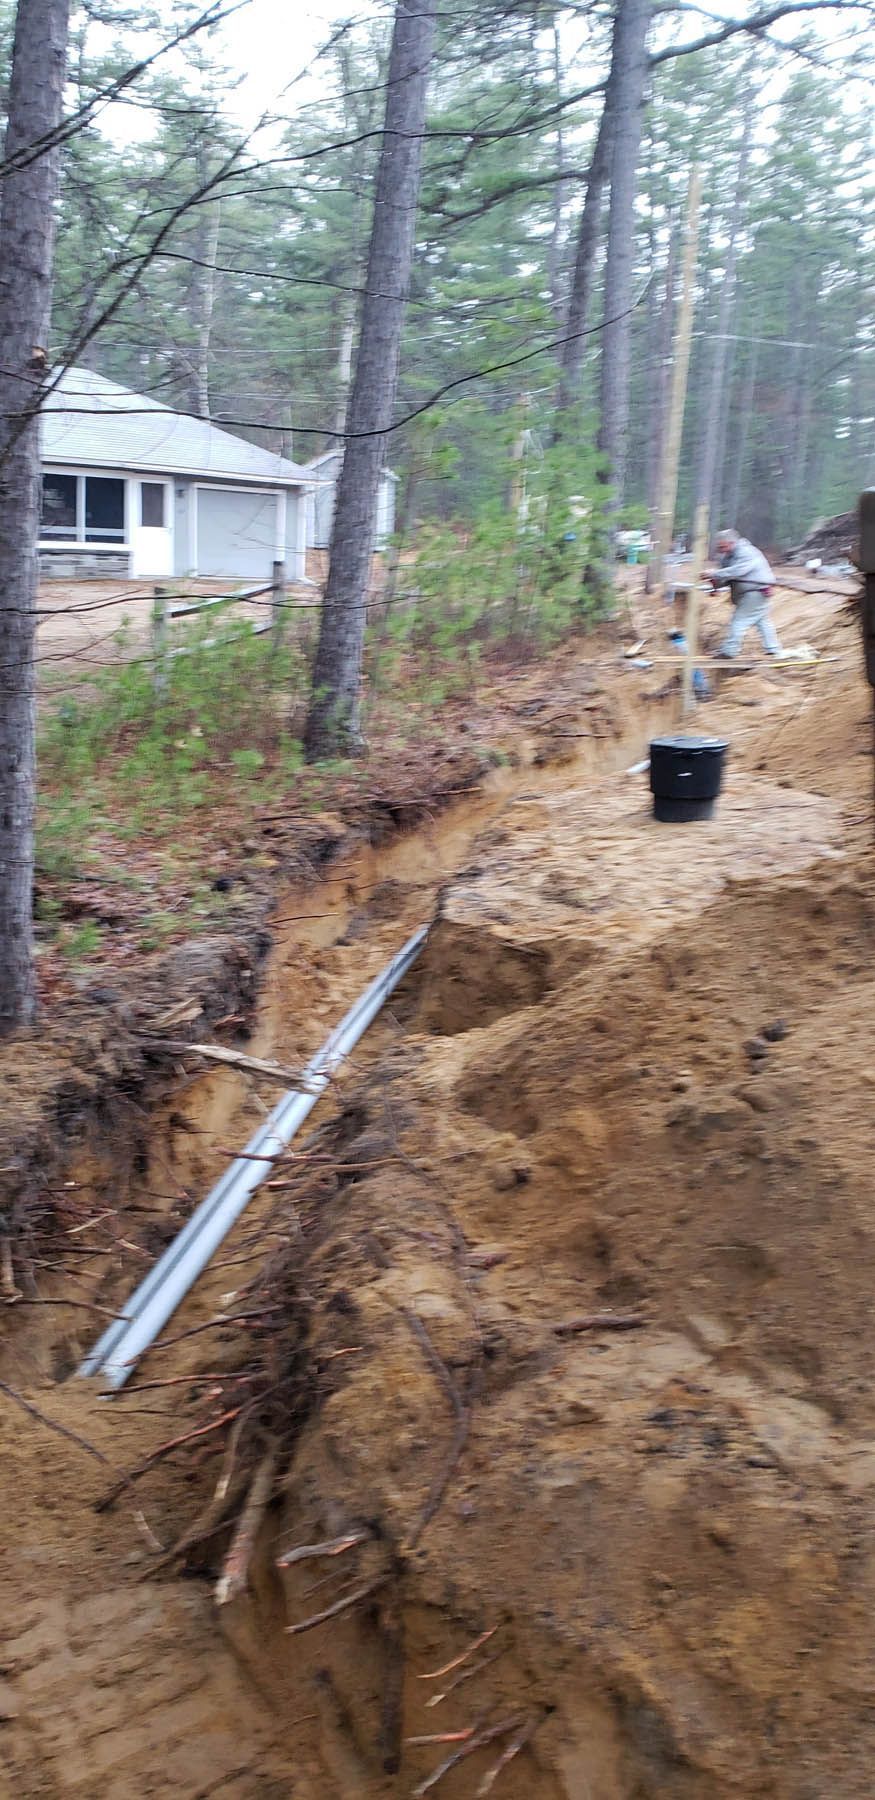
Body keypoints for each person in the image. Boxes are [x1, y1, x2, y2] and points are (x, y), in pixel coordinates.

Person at [706, 528, 783, 658]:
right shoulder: (728, 556)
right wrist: (715, 584)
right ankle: (773, 648)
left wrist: (714, 573)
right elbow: (727, 577)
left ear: (732, 542)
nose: (721, 550)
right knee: (762, 620)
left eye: (723, 546)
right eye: (719, 547)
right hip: (751, 593)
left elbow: (738, 571)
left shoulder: (746, 552)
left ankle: (730, 651)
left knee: (739, 621)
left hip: (755, 591)